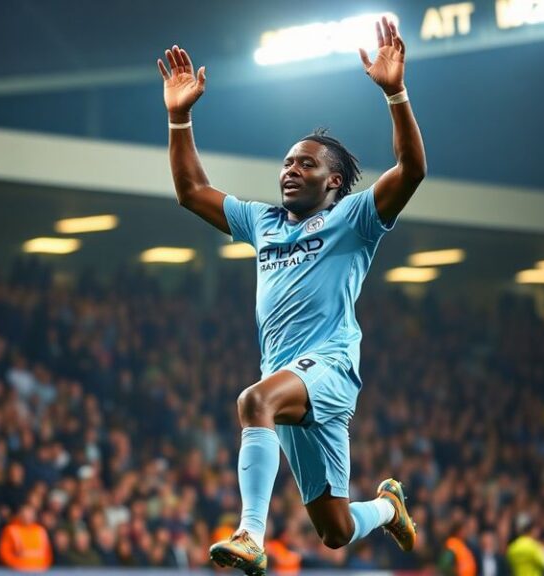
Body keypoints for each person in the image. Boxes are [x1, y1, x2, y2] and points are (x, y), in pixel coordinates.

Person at [157, 15, 426, 576]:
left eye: (306, 163)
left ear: (333, 182)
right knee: (335, 531)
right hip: (288, 374)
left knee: (252, 401)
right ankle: (388, 507)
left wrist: (395, 92)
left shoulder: (355, 218)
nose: (290, 170)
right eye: (286, 162)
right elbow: (190, 192)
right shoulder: (264, 222)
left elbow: (412, 169)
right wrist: (179, 118)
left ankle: (249, 535)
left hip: (327, 366)